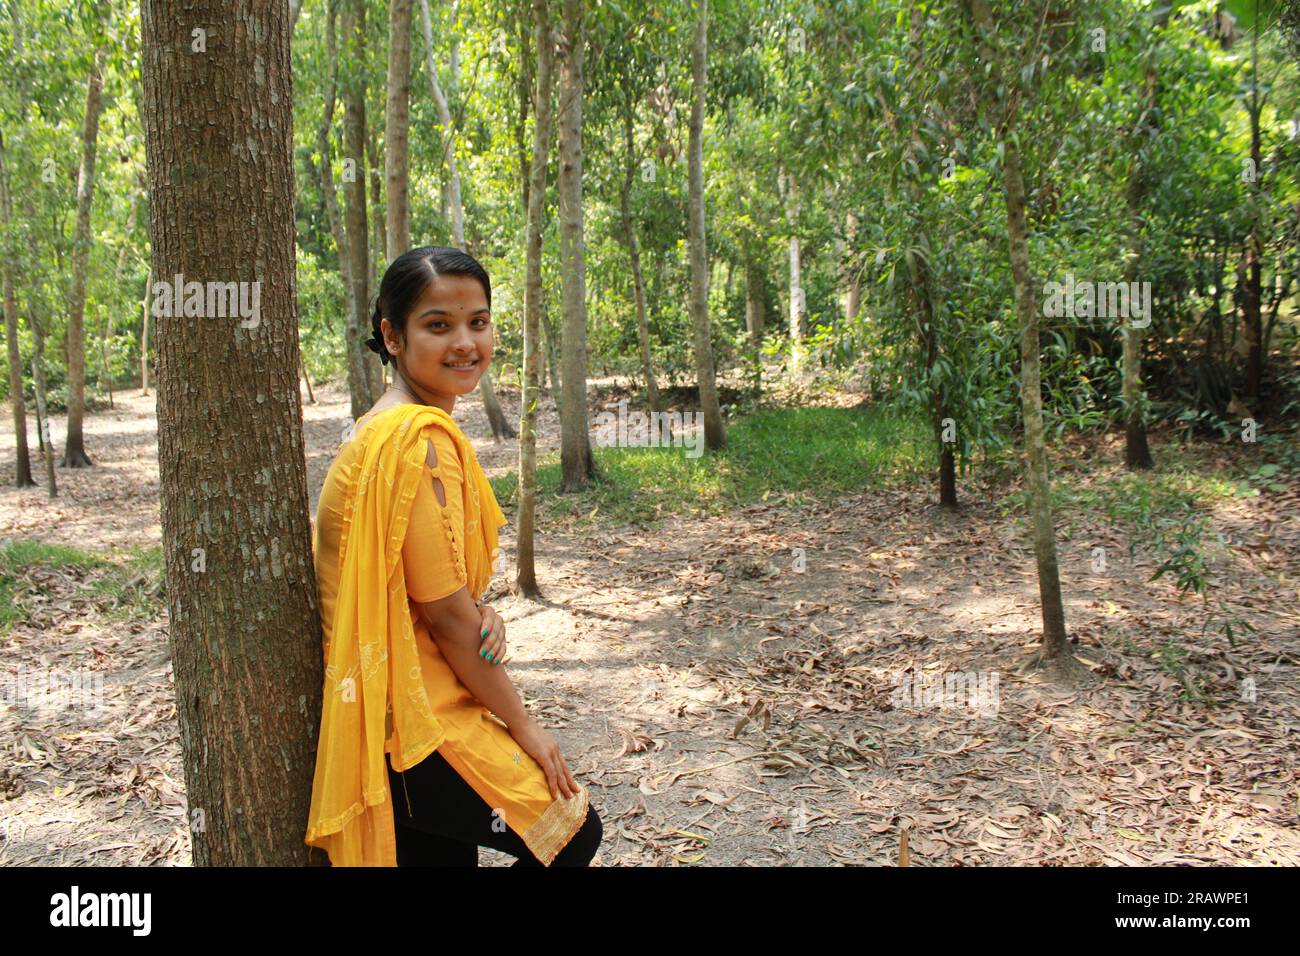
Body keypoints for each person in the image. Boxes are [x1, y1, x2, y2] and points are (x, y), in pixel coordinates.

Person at [304, 246, 601, 866]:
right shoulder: (412, 441)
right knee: (572, 833)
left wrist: (476, 610)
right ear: (391, 335)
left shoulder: (387, 426)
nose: (465, 343)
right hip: (412, 722)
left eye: (478, 322)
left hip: (395, 708)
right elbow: (444, 619)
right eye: (438, 325)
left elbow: (429, 591)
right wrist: (526, 726)